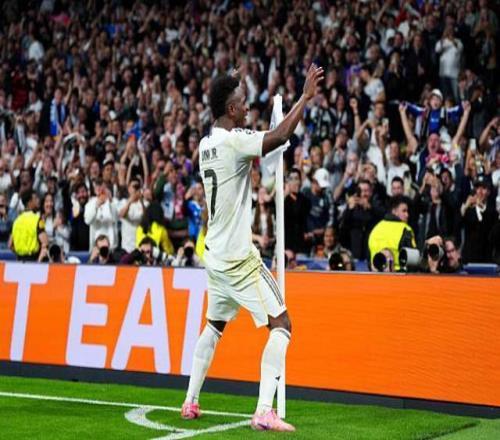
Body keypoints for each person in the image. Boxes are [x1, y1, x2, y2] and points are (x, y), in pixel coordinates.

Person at [181, 65, 323, 432]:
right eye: (242, 103)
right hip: (239, 259)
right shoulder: (234, 142)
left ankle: (190, 401)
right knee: (282, 325)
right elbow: (279, 136)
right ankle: (263, 411)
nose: (248, 107)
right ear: (231, 110)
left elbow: (226, 115)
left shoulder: (206, 144)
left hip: (214, 256)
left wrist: (229, 82)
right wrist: (305, 97)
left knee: (214, 326)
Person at [368, 196, 416, 271]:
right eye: (404, 211)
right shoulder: (406, 229)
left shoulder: (376, 228)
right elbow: (413, 259)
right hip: (397, 274)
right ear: (394, 211)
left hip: (375, 273)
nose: (407, 215)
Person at [10, 189, 48, 261]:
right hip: (33, 260)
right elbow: (45, 243)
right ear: (29, 202)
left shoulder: (16, 221)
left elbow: (10, 245)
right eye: (35, 198)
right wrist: (38, 262)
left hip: (19, 261)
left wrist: (20, 254)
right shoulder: (38, 219)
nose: (38, 200)